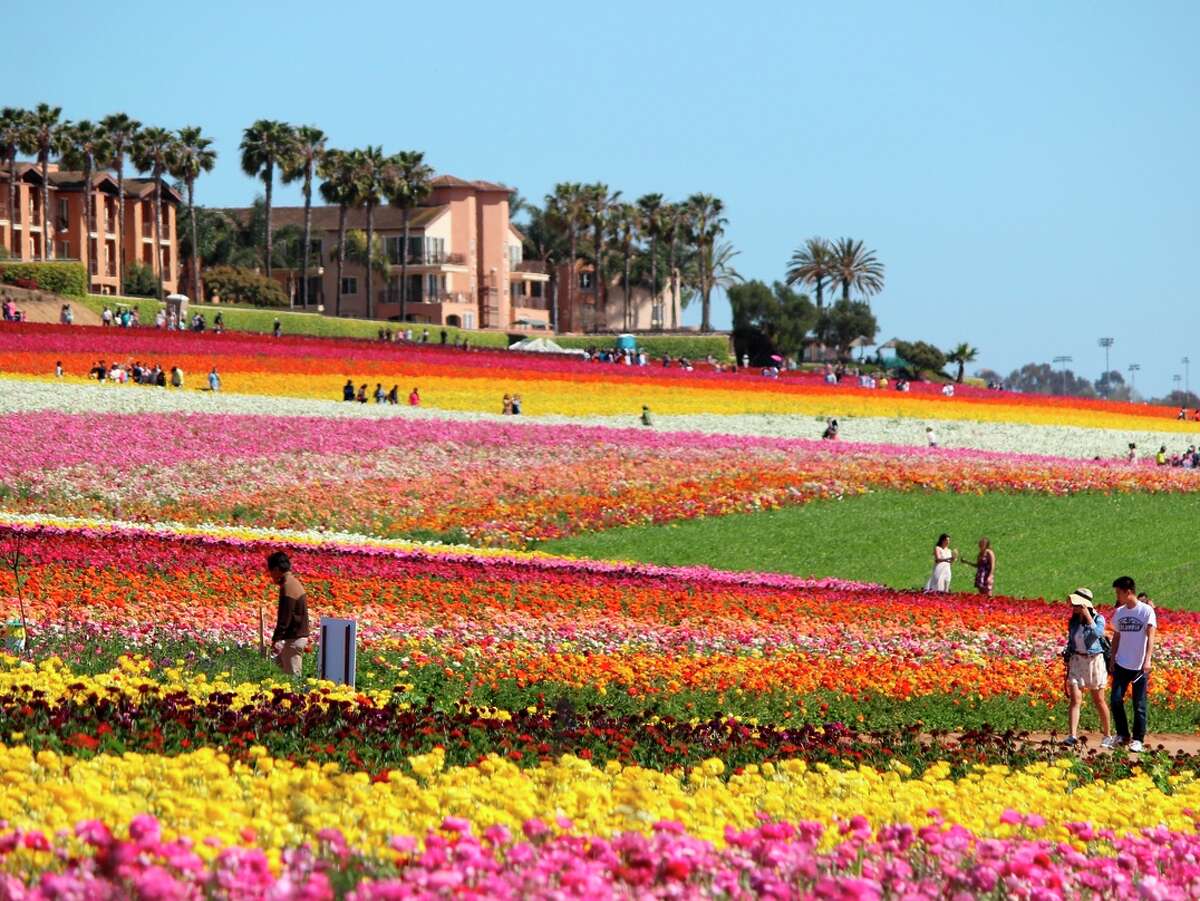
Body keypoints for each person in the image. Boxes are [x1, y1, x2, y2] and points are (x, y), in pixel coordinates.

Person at [1108, 576, 1155, 752]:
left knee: (1139, 704)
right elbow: (1117, 636)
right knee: (1115, 700)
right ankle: (1122, 734)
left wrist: (1148, 659)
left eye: (1118, 592)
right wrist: (1112, 658)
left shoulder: (1146, 611)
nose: (1117, 596)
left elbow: (1151, 636)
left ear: (1128, 592)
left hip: (1140, 666)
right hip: (1122, 663)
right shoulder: (1120, 612)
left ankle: (1138, 739)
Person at [1061, 588, 1113, 748]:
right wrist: (1067, 655)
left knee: (1099, 700)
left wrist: (1088, 616)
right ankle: (1072, 735)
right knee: (1076, 699)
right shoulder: (1074, 620)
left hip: (1094, 661)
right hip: (1078, 659)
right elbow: (1072, 639)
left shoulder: (1099, 618)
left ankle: (1107, 735)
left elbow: (1098, 633)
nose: (1074, 608)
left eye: (1077, 605)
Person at [265, 551, 310, 677]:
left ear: (276, 569)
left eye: (271, 572)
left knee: (293, 677)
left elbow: (285, 617)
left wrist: (276, 638)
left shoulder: (288, 586)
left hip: (295, 638)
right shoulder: (292, 582)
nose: (271, 575)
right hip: (295, 637)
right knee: (279, 666)